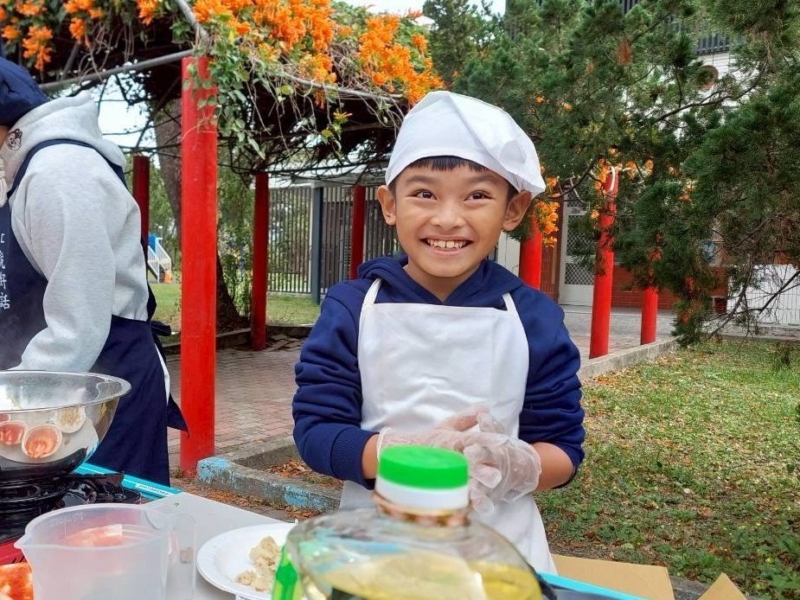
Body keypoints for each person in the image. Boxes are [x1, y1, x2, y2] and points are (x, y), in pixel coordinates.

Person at [293, 90, 585, 573]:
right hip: (375, 549)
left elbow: (564, 449)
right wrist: (395, 453)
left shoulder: (534, 319)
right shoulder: (351, 309)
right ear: (390, 204)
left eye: (477, 196)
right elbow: (316, 433)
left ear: (513, 210)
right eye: (424, 193)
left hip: (500, 557)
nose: (448, 219)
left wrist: (514, 464)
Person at [0, 56, 186, 485]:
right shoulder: (23, 172)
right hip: (55, 385)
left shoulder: (59, 173)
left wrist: (13, 398)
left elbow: (79, 324)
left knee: (106, 516)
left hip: (102, 390)